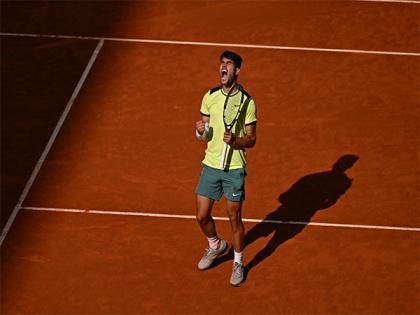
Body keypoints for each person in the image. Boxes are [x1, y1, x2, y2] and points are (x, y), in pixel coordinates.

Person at [194, 51, 257, 286]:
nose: (224, 67)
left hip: (234, 168)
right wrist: (201, 131)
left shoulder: (248, 102)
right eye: (222, 63)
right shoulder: (209, 97)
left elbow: (251, 139)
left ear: (237, 71)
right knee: (201, 215)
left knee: (234, 219)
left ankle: (238, 262)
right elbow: (206, 135)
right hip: (210, 164)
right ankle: (216, 245)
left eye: (229, 64)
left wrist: (236, 141)